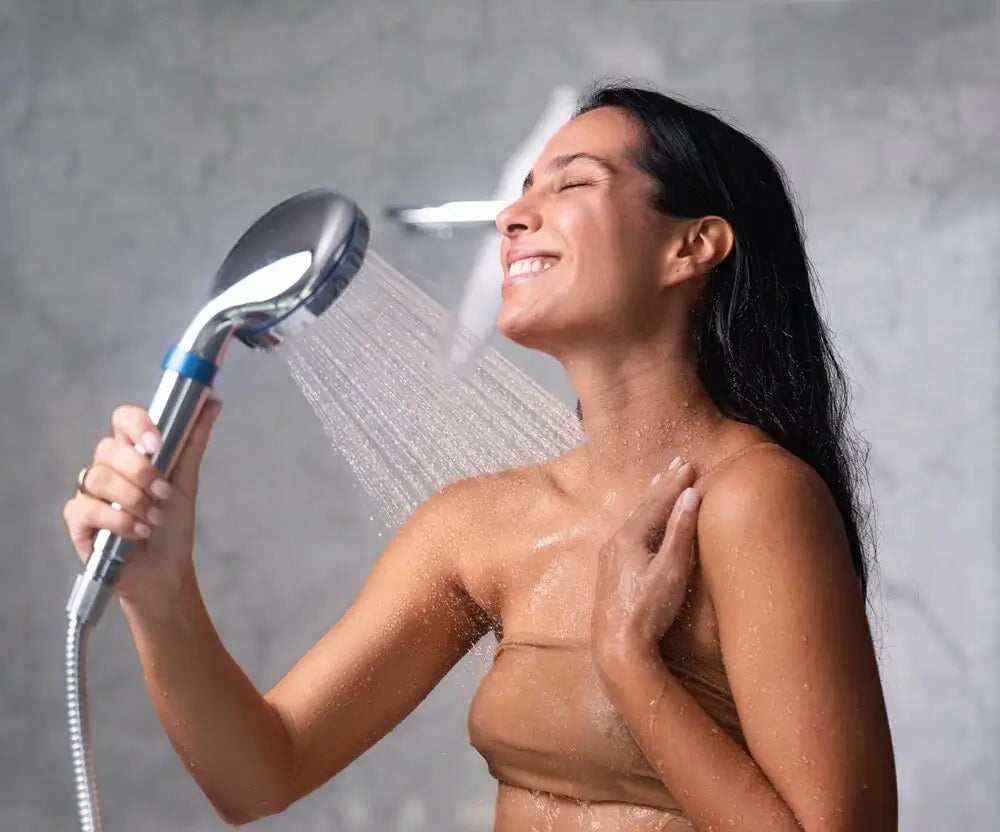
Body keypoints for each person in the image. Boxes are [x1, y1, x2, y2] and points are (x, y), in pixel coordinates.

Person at [62, 84, 898, 830]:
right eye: (521, 192)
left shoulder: (753, 500)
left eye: (572, 184)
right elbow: (259, 774)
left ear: (694, 245)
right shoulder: (479, 526)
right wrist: (159, 592)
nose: (512, 218)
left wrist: (630, 664)